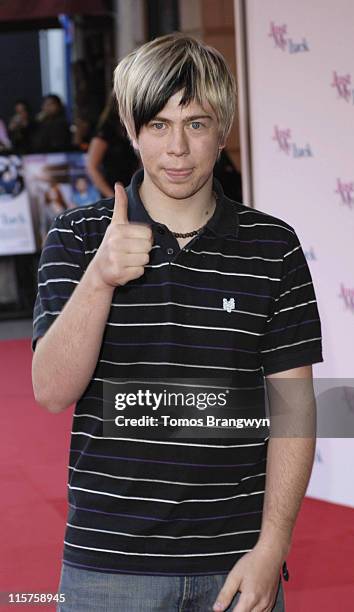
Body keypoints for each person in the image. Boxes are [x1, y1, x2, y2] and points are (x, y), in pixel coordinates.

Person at [32, 33, 323, 611]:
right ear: (132, 131)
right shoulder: (77, 237)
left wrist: (273, 545)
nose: (178, 149)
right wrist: (100, 278)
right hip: (109, 566)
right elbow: (49, 391)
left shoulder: (273, 246)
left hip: (238, 563)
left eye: (196, 123)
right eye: (159, 125)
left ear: (224, 129)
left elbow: (296, 407)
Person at [86, 93, 140, 197]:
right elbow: (91, 166)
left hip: (132, 191)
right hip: (113, 189)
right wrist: (112, 196)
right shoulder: (106, 130)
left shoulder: (132, 128)